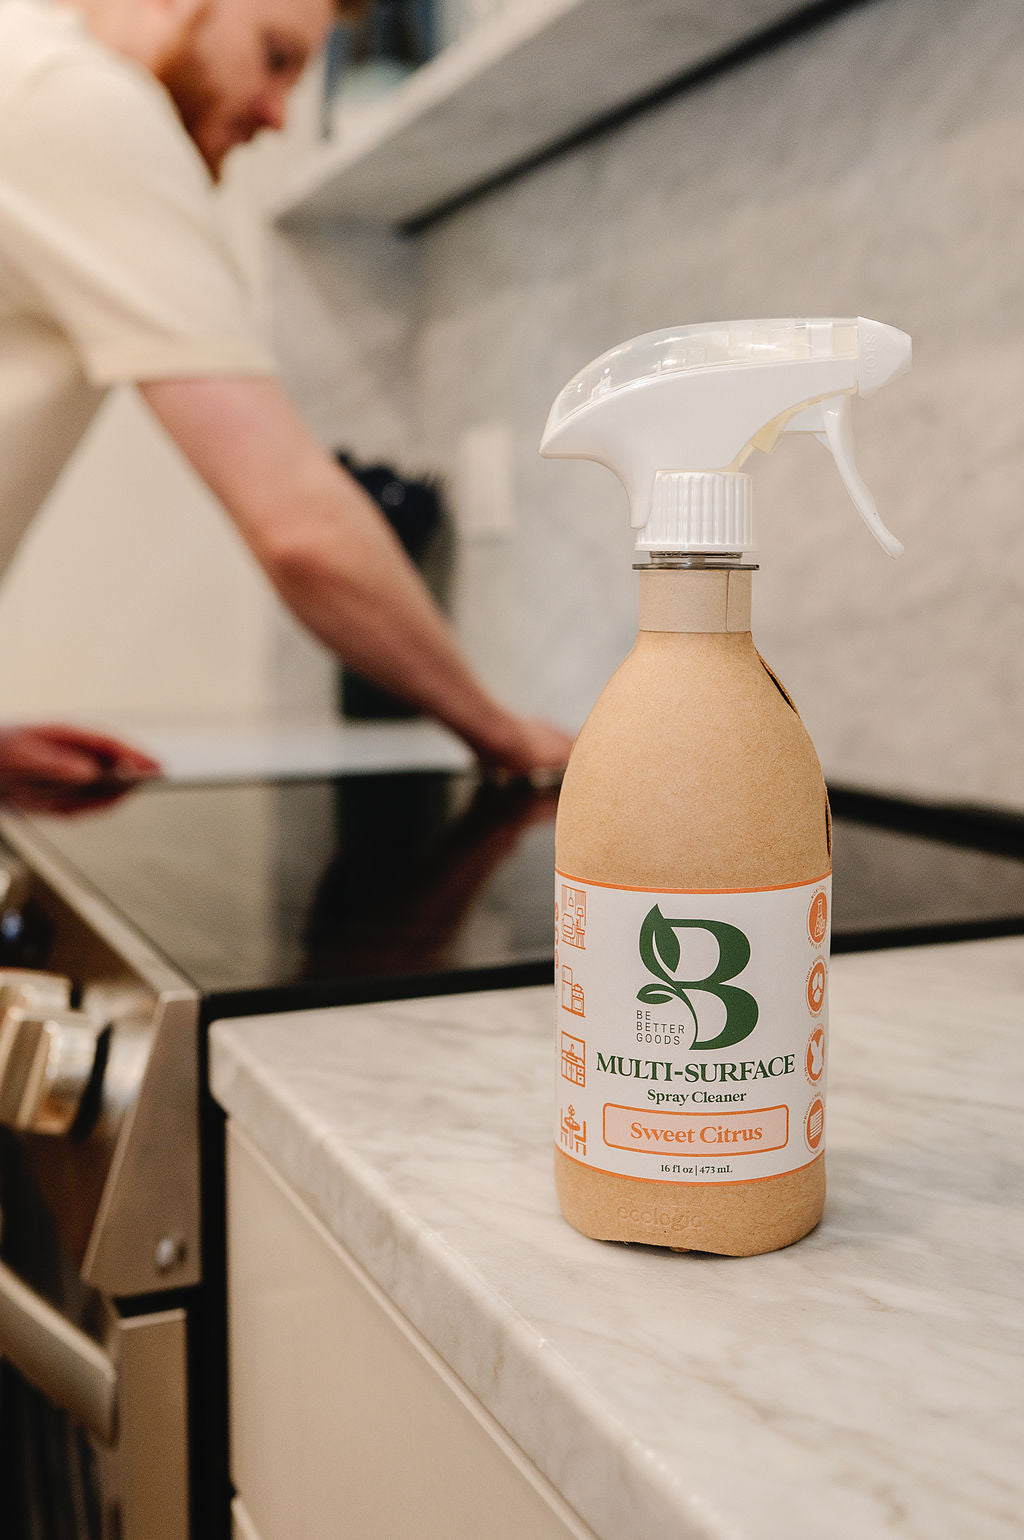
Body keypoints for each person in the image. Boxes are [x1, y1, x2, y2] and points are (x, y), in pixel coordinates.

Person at [0, 0, 573, 805]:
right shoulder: (78, 100)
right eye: (275, 57)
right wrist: (505, 732)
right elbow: (297, 526)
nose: (278, 115)